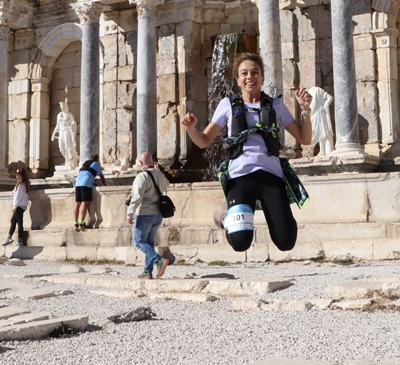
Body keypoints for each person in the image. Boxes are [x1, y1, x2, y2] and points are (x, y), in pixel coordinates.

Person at [180, 53, 312, 253]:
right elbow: (204, 140)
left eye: (255, 72)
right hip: (240, 178)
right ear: (238, 80)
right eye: (245, 73)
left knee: (286, 242)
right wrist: (191, 130)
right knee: (240, 242)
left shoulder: (275, 105)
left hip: (271, 176)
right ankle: (227, 219)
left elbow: (305, 138)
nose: (250, 77)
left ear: (262, 77)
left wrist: (306, 111)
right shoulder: (227, 105)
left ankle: (280, 215)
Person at [126, 151, 171, 279]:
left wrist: (130, 214)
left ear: (141, 163)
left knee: (139, 242)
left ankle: (158, 260)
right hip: (157, 215)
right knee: (149, 243)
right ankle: (147, 271)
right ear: (152, 161)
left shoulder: (141, 177)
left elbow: (136, 197)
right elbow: (167, 184)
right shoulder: (159, 174)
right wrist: (159, 171)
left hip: (144, 214)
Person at [74, 155, 107, 230]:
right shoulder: (96, 164)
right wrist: (105, 184)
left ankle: (76, 223)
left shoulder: (85, 164)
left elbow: (87, 173)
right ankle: (82, 223)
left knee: (77, 203)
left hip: (78, 183)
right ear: (97, 159)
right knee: (85, 203)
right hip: (86, 184)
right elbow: (101, 176)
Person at [3, 168, 31, 247]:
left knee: (17, 223)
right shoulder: (23, 184)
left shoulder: (21, 185)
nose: (16, 174)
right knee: (15, 221)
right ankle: (13, 238)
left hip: (18, 206)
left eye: (17, 173)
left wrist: (15, 206)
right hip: (21, 206)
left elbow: (18, 197)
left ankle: (16, 239)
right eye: (16, 173)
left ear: (21, 175)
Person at [51, 102, 78, 167]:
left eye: (63, 107)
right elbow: (57, 125)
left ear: (66, 107)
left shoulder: (70, 115)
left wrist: (73, 125)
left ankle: (69, 161)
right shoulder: (59, 115)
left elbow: (73, 124)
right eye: (61, 107)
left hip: (67, 131)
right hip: (61, 132)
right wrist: (53, 134)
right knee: (61, 148)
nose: (62, 108)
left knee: (67, 147)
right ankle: (66, 160)